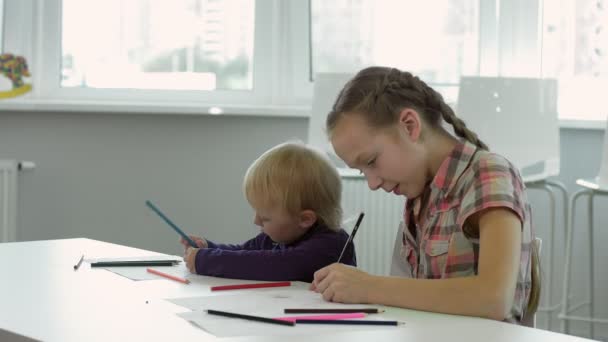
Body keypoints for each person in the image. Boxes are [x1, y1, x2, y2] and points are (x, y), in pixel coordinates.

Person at [311, 66, 539, 324]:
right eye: (362, 172)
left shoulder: (489, 174)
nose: (372, 184)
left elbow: (494, 298)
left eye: (372, 161)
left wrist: (368, 286)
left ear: (410, 126)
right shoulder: (420, 195)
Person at [180, 141, 356, 282]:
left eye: (265, 218)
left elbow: (274, 265)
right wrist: (209, 247)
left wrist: (207, 259)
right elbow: (244, 252)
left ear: (305, 219)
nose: (256, 221)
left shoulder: (330, 244)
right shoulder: (278, 236)